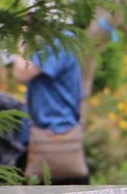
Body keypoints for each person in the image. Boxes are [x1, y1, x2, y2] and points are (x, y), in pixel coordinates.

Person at [11, 41, 88, 184]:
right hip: (51, 136)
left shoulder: (57, 42)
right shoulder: (57, 40)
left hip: (54, 138)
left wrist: (22, 40)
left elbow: (20, 73)